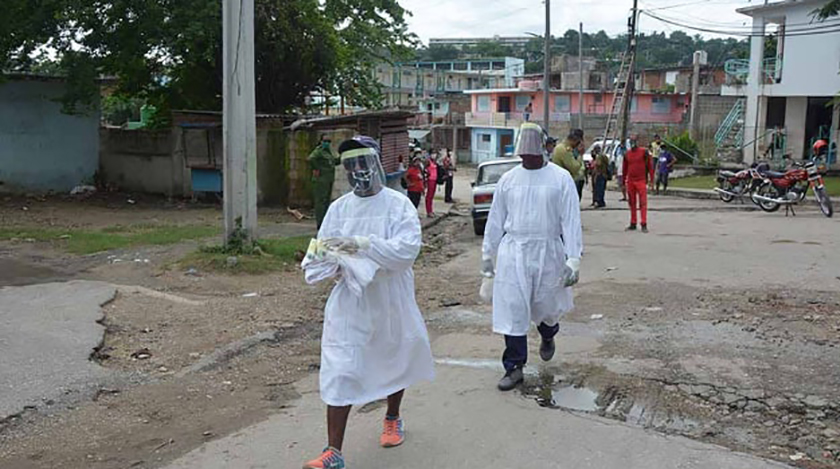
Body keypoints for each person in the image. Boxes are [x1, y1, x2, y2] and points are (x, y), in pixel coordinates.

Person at [301, 136, 435, 469]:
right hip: (351, 301)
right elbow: (318, 256)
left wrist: (359, 245)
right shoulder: (339, 208)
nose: (357, 170)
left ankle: (392, 416)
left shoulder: (398, 204)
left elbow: (404, 252)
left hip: (391, 297)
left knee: (396, 356)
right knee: (340, 368)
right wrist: (342, 255)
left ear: (375, 164)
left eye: (362, 163)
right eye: (350, 165)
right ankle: (333, 451)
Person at [481, 122, 583, 391]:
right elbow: (495, 221)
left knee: (546, 306)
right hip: (514, 252)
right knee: (513, 308)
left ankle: (548, 333)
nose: (526, 158)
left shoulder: (560, 179)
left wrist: (573, 258)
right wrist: (487, 256)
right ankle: (514, 367)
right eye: (522, 153)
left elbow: (571, 221)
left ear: (542, 149)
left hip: (548, 250)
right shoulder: (508, 180)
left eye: (531, 152)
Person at [623, 134, 654, 233]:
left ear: (637, 142)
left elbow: (650, 167)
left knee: (643, 203)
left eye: (634, 141)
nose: (633, 143)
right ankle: (633, 222)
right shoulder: (627, 154)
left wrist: (651, 180)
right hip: (631, 181)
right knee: (632, 203)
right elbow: (624, 169)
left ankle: (643, 223)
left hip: (641, 180)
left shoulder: (644, 152)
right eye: (631, 141)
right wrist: (623, 182)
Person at [308, 135, 340, 229]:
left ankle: (325, 223)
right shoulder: (319, 151)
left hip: (328, 180)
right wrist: (316, 168)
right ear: (321, 141)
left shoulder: (328, 153)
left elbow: (334, 161)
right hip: (320, 180)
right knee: (320, 203)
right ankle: (320, 223)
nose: (327, 143)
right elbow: (311, 158)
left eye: (329, 141)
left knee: (326, 202)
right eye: (325, 141)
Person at [552, 130, 586, 200]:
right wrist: (580, 155)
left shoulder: (560, 147)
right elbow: (574, 167)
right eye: (577, 143)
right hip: (564, 184)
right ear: (574, 141)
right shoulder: (565, 150)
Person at [424, 153, 439, 217]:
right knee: (429, 196)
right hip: (430, 180)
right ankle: (428, 211)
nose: (434, 155)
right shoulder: (428, 161)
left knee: (432, 196)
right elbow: (425, 169)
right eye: (433, 153)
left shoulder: (434, 162)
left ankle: (431, 210)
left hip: (434, 179)